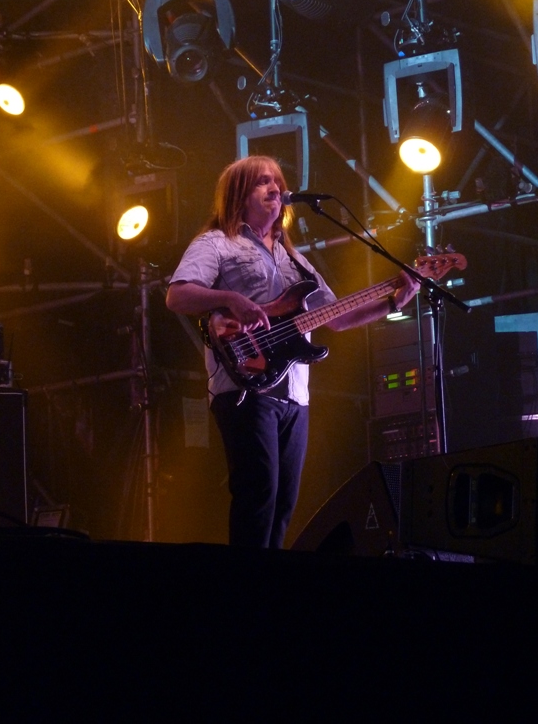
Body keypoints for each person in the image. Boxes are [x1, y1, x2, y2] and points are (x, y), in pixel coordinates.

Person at [166, 155, 419, 549]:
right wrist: (231, 299)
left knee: (284, 503)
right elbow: (178, 295)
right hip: (245, 385)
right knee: (258, 495)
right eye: (262, 181)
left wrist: (393, 301)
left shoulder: (296, 261)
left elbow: (336, 317)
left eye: (277, 182)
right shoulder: (216, 242)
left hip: (294, 394)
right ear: (238, 195)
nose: (275, 188)